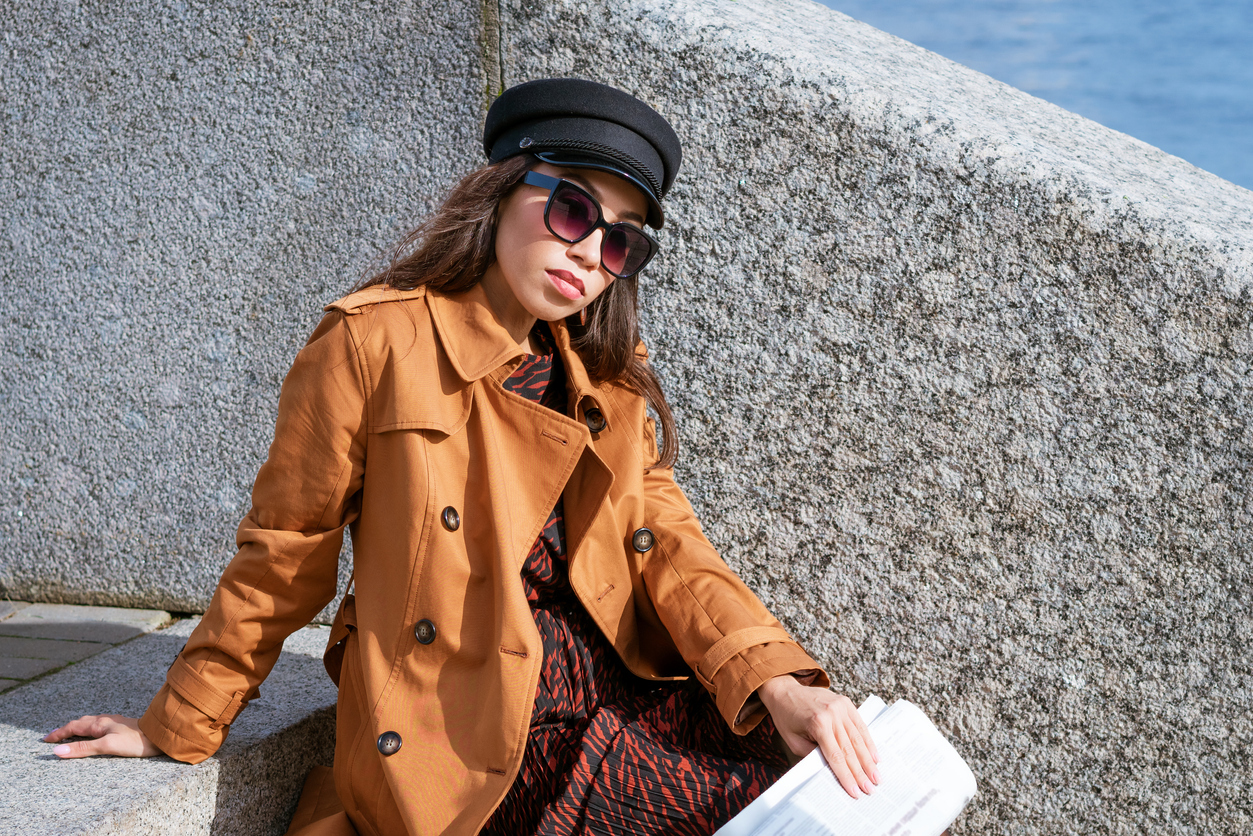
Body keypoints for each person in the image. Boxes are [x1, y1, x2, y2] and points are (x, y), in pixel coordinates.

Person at [45, 78, 879, 836]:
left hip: (615, 687)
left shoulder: (610, 374)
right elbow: (285, 552)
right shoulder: (373, 341)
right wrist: (178, 722)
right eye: (573, 212)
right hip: (473, 728)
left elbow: (668, 545)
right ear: (504, 189)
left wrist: (776, 681)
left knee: (854, 791)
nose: (590, 254)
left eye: (620, 242)